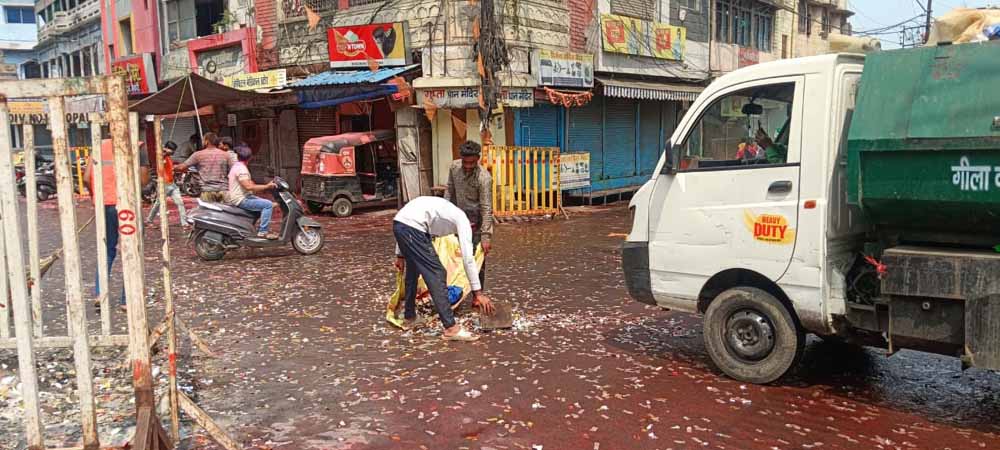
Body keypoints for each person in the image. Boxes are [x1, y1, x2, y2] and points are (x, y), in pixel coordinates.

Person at [393, 196, 495, 341]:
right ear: (472, 224)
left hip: (400, 224)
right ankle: (451, 328)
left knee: (413, 269)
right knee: (437, 273)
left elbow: (404, 220)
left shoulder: (448, 209)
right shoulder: (463, 220)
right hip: (413, 228)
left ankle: (409, 317)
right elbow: (468, 259)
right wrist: (478, 293)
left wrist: (400, 255)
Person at [84, 138, 150, 309]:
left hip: (104, 204)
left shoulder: (99, 145)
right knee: (131, 250)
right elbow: (143, 180)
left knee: (107, 249)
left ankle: (100, 293)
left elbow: (86, 177)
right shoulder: (137, 145)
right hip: (127, 205)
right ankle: (126, 300)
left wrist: (95, 196)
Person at [446, 141, 494, 294]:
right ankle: (455, 291)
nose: (467, 166)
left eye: (472, 163)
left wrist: (486, 237)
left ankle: (477, 295)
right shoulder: (454, 168)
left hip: (477, 222)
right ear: (461, 159)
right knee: (454, 256)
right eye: (465, 162)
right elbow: (449, 191)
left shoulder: (484, 178)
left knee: (476, 259)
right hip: (457, 218)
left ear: (478, 159)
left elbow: (487, 208)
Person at [227, 145, 278, 239]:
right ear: (250, 158)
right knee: (267, 205)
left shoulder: (237, 166)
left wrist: (257, 185)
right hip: (241, 199)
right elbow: (249, 186)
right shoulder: (241, 169)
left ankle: (253, 228)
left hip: (244, 196)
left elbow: (248, 183)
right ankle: (263, 232)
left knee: (270, 204)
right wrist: (267, 186)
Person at [174, 132, 231, 202]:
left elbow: (181, 168)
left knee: (208, 212)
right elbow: (232, 170)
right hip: (224, 190)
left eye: (203, 140)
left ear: (206, 141)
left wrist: (172, 167)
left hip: (207, 191)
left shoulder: (198, 155)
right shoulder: (226, 155)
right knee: (225, 212)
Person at [145, 141, 188, 229]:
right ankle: (149, 221)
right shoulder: (161, 156)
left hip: (172, 185)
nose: (174, 152)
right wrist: (164, 151)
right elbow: (161, 158)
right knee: (158, 204)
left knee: (180, 203)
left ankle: (185, 224)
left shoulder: (168, 157)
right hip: (163, 185)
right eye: (172, 150)